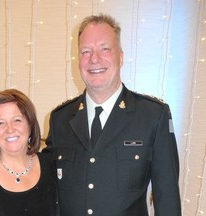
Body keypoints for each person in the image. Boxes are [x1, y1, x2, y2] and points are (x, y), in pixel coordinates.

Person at [43, 14, 181, 216]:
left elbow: (167, 198)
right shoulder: (60, 119)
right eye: (86, 51)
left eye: (104, 49)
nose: (94, 59)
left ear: (121, 57)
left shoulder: (153, 116)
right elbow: (43, 188)